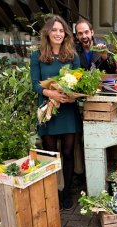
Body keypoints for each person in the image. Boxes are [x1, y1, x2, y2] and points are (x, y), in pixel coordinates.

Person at [30, 15, 81, 210]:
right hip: (48, 111)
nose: (58, 33)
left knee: (67, 152)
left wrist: (71, 96)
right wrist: (50, 92)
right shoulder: (38, 55)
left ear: (65, 33)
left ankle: (67, 193)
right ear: (48, 33)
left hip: (67, 110)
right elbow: (35, 83)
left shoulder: (72, 55)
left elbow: (79, 81)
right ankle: (51, 193)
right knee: (49, 155)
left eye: (61, 30)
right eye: (54, 30)